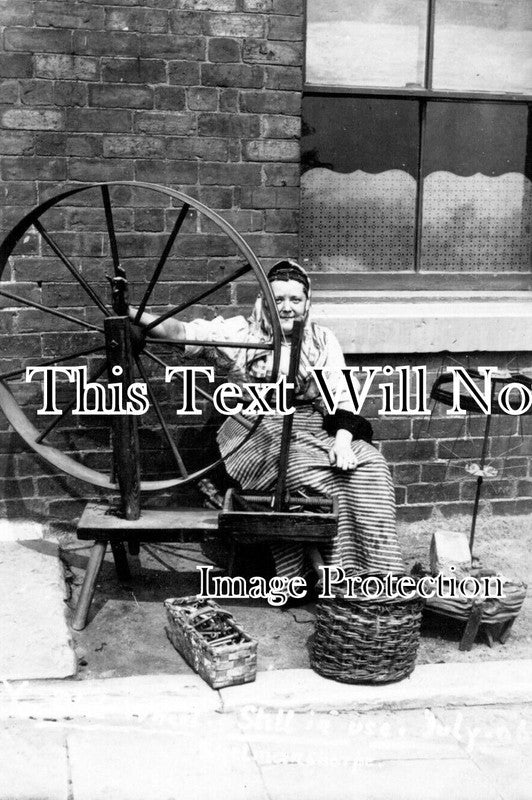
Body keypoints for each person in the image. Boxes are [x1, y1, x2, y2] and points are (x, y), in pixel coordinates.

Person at [130, 260, 404, 581]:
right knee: (296, 471)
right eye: (278, 299)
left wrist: (343, 443)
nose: (287, 308)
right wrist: (132, 314)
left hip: (309, 424)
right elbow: (180, 332)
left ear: (307, 303)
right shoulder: (241, 333)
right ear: (264, 300)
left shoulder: (321, 340)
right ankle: (304, 571)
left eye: (295, 300)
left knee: (370, 464)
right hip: (253, 426)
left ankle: (374, 572)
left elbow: (342, 395)